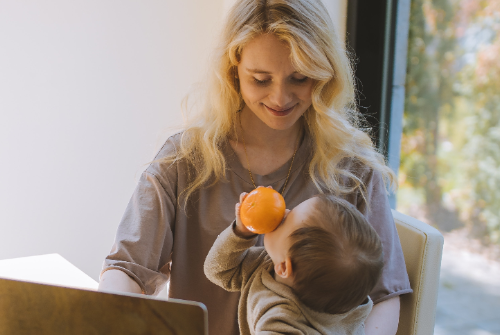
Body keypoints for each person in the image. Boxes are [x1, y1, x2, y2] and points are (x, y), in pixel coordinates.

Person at [98, 1, 412, 334]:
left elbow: (384, 295)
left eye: (300, 78)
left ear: (324, 72)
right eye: (261, 79)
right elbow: (128, 269)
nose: (280, 98)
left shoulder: (353, 170)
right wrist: (111, 315)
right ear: (234, 69)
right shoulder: (183, 160)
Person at [204, 191, 384, 335]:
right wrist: (242, 232)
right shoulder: (342, 298)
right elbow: (219, 270)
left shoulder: (281, 321)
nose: (285, 211)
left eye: (285, 221)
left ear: (284, 267)